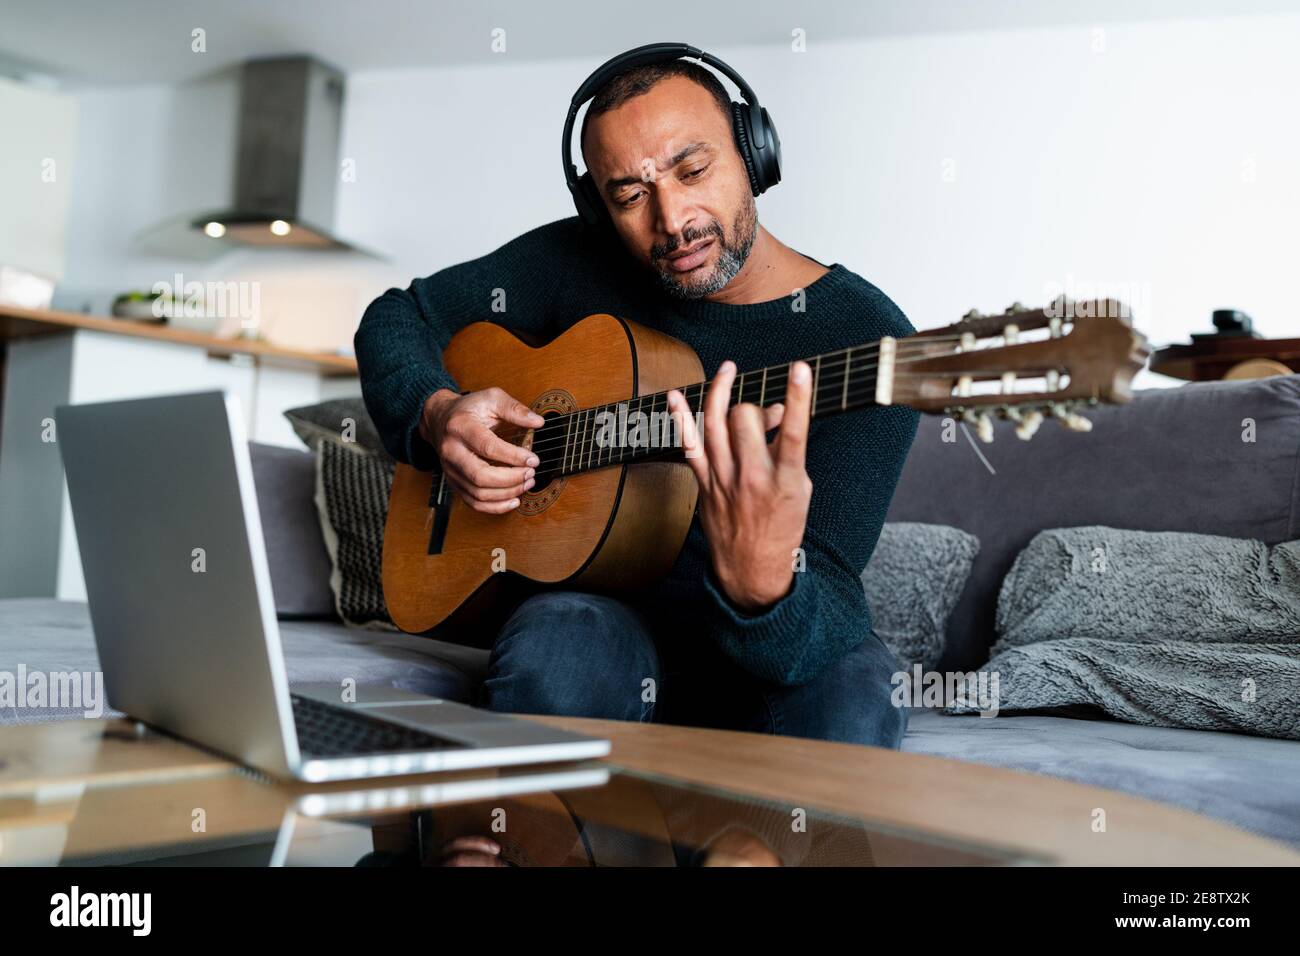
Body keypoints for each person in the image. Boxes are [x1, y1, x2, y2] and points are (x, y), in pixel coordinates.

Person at [354, 47, 918, 747]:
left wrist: (762, 584)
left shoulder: (870, 338)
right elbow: (398, 316)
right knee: (560, 652)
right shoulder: (574, 263)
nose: (673, 219)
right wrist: (436, 414)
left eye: (694, 169)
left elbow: (822, 606)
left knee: (858, 695)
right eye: (629, 195)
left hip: (770, 639)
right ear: (599, 208)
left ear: (754, 153)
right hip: (604, 616)